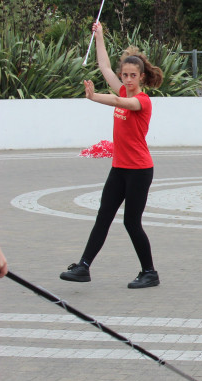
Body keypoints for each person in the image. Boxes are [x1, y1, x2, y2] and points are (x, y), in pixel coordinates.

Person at [59, 22, 163, 289]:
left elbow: (120, 102)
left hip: (139, 170)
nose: (127, 80)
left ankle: (149, 272)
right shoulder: (120, 89)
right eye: (124, 75)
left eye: (132, 76)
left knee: (131, 222)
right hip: (119, 168)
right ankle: (83, 266)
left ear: (141, 77)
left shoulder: (143, 101)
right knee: (103, 216)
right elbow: (104, 67)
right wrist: (100, 36)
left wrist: (94, 98)